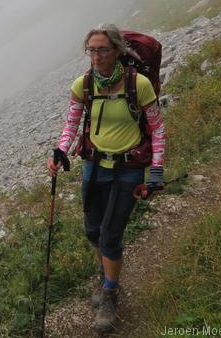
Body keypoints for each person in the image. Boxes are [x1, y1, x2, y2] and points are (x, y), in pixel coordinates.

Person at [46, 24, 166, 333]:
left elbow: (157, 128)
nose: (96, 56)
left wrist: (155, 172)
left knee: (110, 234)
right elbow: (72, 122)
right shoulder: (83, 85)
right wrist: (61, 150)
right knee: (92, 230)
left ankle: (111, 292)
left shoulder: (137, 84)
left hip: (128, 168)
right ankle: (104, 276)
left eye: (103, 50)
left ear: (117, 51)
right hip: (94, 165)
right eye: (92, 50)